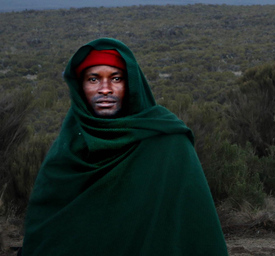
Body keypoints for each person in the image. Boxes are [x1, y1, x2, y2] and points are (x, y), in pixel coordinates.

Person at [21, 38, 228, 256]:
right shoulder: (68, 149)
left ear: (130, 85)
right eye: (93, 79)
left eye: (116, 78)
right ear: (80, 87)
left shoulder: (167, 142)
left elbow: (195, 227)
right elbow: (46, 230)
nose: (105, 89)